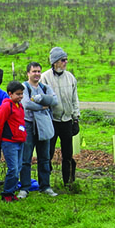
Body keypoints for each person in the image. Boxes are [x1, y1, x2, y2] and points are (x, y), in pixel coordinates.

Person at [41, 47, 80, 186]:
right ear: (55, 62)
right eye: (63, 60)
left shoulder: (70, 77)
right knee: (48, 153)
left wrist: (76, 118)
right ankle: (45, 183)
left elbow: (75, 99)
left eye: (66, 59)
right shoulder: (44, 77)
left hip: (67, 121)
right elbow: (41, 99)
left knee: (68, 154)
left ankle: (69, 182)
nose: (66, 62)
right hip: (50, 121)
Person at [19, 61, 58, 198]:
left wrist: (41, 99)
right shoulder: (23, 87)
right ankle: (24, 187)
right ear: (28, 73)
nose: (37, 74)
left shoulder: (45, 87)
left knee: (45, 157)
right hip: (28, 124)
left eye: (38, 71)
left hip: (43, 124)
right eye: (34, 71)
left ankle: (45, 186)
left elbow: (54, 101)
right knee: (26, 158)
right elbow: (26, 104)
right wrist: (43, 106)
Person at [0, 81, 26, 202]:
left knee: (18, 168)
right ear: (10, 94)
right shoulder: (6, 106)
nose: (20, 96)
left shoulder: (19, 106)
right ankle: (7, 192)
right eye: (18, 94)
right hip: (9, 141)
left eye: (22, 94)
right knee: (13, 169)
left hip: (19, 140)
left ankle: (11, 192)